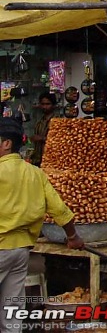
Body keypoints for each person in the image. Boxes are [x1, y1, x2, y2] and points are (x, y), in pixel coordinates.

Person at [0, 117, 84, 331]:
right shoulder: (36, 173)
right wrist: (73, 237)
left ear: (7, 143)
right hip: (20, 252)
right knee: (11, 311)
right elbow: (61, 212)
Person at [29, 92, 57, 167]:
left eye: (48, 104)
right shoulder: (39, 122)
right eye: (42, 104)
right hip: (37, 160)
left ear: (53, 105)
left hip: (51, 161)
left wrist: (42, 138)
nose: (44, 107)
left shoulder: (57, 121)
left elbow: (59, 141)